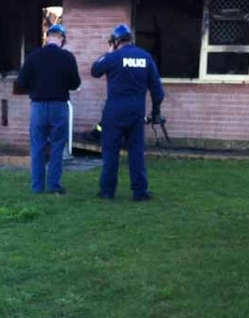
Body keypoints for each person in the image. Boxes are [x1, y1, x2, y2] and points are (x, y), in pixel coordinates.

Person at [91, 23, 164, 201]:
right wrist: (155, 111)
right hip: (136, 113)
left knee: (110, 152)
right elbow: (157, 91)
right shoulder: (145, 57)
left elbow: (95, 71)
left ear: (115, 41)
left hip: (114, 112)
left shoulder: (113, 57)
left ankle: (107, 191)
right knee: (136, 152)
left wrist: (108, 53)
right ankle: (139, 192)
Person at [14, 24, 81, 194]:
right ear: (62, 39)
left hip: (38, 107)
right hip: (59, 107)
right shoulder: (68, 58)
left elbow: (20, 82)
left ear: (47, 37)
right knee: (57, 146)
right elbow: (75, 84)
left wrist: (35, 88)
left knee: (37, 146)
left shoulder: (34, 56)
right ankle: (54, 185)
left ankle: (37, 187)